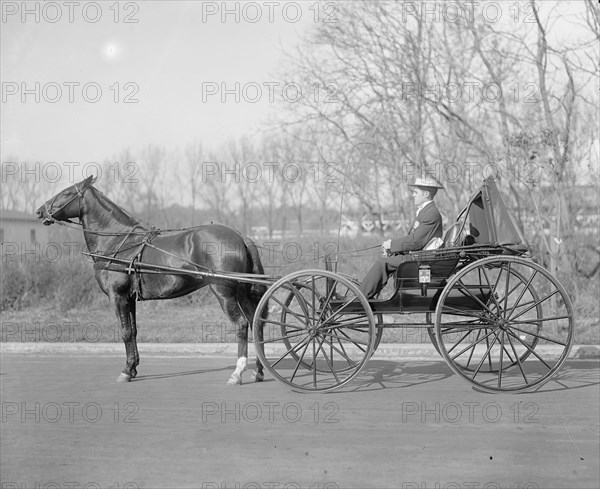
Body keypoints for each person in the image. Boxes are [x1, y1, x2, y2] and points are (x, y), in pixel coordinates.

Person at [360, 177, 444, 299]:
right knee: (387, 260)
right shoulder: (425, 211)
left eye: (416, 192)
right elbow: (414, 239)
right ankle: (366, 295)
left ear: (426, 194)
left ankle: (361, 297)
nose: (413, 195)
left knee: (382, 263)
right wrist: (393, 249)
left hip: (422, 259)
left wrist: (392, 245)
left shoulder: (431, 213)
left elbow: (416, 242)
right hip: (419, 255)